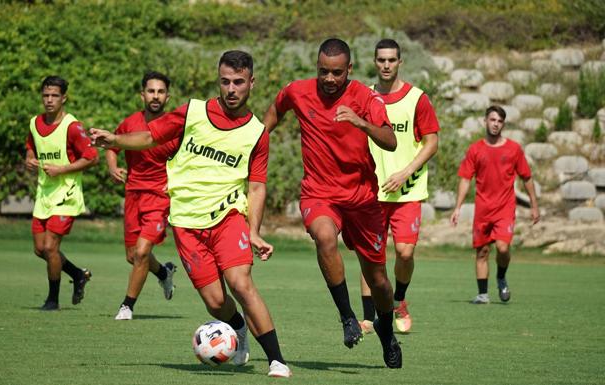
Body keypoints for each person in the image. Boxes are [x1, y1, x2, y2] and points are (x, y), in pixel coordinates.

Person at [90, 51, 291, 377]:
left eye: (239, 82)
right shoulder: (193, 112)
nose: (231, 88)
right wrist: (115, 140)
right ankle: (238, 328)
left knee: (240, 283)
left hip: (228, 217)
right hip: (186, 222)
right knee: (215, 303)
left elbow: (256, 188)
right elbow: (150, 135)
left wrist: (254, 231)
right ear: (218, 80)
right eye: (225, 81)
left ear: (251, 83)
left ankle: (277, 360)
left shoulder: (257, 133)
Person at [263, 38, 402, 368]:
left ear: (349, 70)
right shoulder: (297, 91)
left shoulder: (366, 98)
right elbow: (275, 111)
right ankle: (347, 317)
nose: (329, 79)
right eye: (323, 71)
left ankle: (386, 330)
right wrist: (255, 141)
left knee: (380, 281)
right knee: (325, 238)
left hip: (362, 198)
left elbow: (391, 141)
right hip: (319, 193)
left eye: (337, 73)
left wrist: (361, 123)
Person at [359, 38, 440, 334]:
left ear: (400, 62)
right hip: (371, 194)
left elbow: (432, 142)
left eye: (391, 60)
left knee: (405, 254)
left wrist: (406, 172)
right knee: (370, 256)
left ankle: (399, 301)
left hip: (407, 194)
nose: (386, 65)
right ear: (374, 62)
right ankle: (368, 318)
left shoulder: (417, 98)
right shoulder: (364, 97)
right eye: (381, 60)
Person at [450, 105, 539, 304]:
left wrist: (534, 205)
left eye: (499, 121)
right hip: (483, 209)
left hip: (505, 208)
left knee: (503, 247)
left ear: (503, 124)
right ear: (485, 121)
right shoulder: (475, 149)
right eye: (492, 120)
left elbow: (527, 177)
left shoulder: (514, 149)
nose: (495, 124)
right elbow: (465, 179)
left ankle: (500, 276)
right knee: (482, 251)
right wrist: (458, 207)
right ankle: (483, 294)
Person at [106, 72, 177, 321]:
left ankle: (127, 306)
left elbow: (188, 159)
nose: (155, 96)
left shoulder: (174, 127)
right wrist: (112, 166)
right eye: (151, 91)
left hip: (159, 196)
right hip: (133, 194)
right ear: (142, 94)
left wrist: (177, 182)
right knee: (132, 255)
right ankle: (164, 273)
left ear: (167, 96)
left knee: (143, 251)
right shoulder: (129, 123)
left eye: (160, 91)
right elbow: (112, 146)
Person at [25, 76, 98, 310]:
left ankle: (52, 299)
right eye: (45, 95)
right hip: (44, 193)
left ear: (63, 98)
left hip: (67, 194)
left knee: (50, 247)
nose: (49, 100)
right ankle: (78, 274)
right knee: (40, 249)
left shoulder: (72, 127)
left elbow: (91, 157)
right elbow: (30, 146)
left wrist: (62, 169)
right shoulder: (34, 123)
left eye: (54, 95)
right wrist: (29, 159)